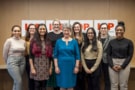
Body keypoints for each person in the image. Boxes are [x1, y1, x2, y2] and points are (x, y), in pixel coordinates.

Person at [107, 21, 134, 90]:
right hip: (113, 64)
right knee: (113, 85)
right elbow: (108, 55)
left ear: (124, 31)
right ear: (115, 31)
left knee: (123, 85)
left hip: (125, 64)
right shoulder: (111, 42)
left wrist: (122, 66)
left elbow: (130, 55)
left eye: (121, 30)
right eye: (117, 30)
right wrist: (112, 65)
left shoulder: (129, 42)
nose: (119, 31)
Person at [54, 23, 80, 90]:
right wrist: (56, 67)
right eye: (65, 30)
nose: (66, 32)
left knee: (70, 86)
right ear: (62, 31)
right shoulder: (58, 42)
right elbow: (55, 55)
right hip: (61, 67)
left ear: (70, 31)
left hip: (71, 67)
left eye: (68, 30)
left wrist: (76, 67)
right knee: (62, 86)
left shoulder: (74, 42)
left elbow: (77, 56)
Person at [29, 24, 52, 90]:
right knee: (37, 86)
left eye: (43, 29)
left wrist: (50, 68)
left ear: (46, 30)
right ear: (38, 30)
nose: (42, 30)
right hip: (36, 65)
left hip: (46, 65)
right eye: (40, 29)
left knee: (44, 86)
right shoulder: (33, 40)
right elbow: (30, 56)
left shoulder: (48, 40)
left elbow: (50, 57)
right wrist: (32, 68)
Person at [3, 25, 26, 90]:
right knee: (19, 81)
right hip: (12, 61)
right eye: (15, 31)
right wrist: (7, 63)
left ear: (20, 32)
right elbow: (4, 53)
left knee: (16, 81)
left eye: (18, 31)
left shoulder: (23, 41)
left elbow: (23, 52)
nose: (17, 32)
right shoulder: (9, 40)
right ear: (12, 32)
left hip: (22, 61)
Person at [47, 19, 63, 90]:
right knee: (54, 77)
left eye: (57, 24)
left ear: (60, 26)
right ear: (52, 25)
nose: (56, 26)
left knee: (62, 75)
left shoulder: (63, 34)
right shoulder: (48, 34)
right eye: (55, 24)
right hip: (52, 57)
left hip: (62, 57)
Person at [98, 23, 113, 90]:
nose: (103, 29)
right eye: (102, 28)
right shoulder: (96, 38)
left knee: (107, 79)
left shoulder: (112, 39)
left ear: (107, 30)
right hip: (97, 62)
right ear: (100, 29)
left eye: (105, 28)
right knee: (97, 78)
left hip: (107, 61)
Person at [72, 22, 86, 90]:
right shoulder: (71, 37)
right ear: (73, 29)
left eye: (78, 27)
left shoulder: (84, 36)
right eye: (75, 27)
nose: (76, 28)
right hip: (73, 60)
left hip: (82, 60)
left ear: (80, 28)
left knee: (82, 79)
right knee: (74, 79)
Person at [25, 24, 36, 90]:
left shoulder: (38, 39)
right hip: (28, 61)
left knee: (37, 79)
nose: (32, 29)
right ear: (28, 30)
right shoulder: (25, 40)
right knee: (30, 79)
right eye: (30, 28)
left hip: (37, 60)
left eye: (33, 28)